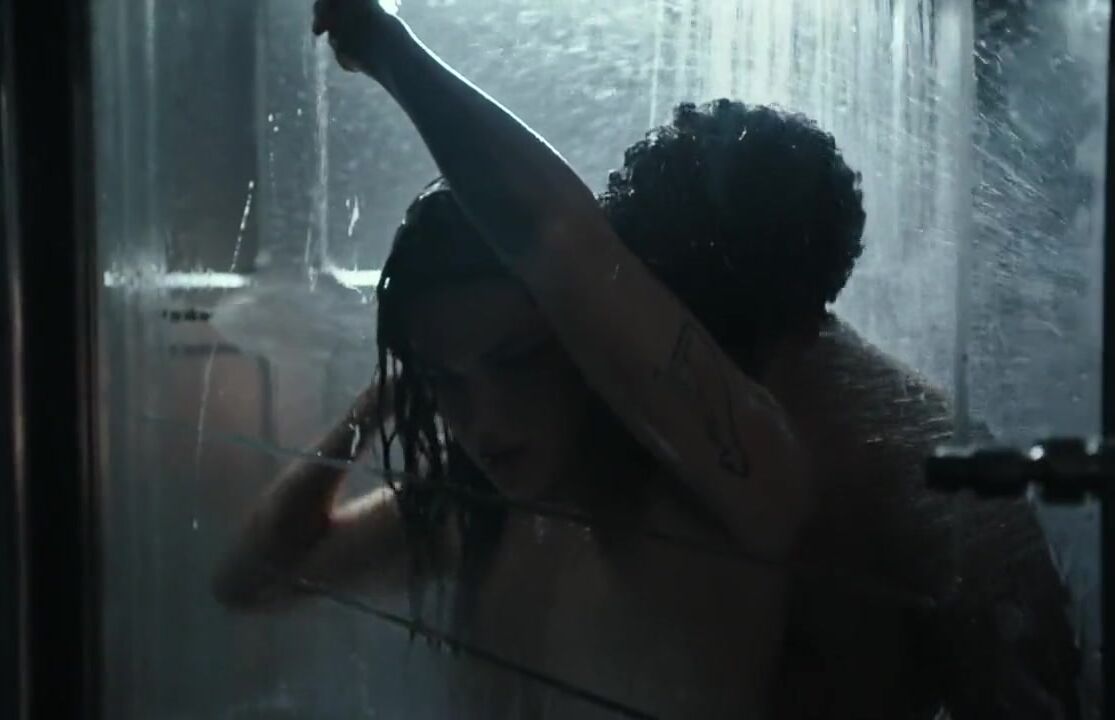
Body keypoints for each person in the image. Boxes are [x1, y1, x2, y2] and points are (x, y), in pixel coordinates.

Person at [214, 2, 1080, 718]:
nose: (483, 412)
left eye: (515, 360)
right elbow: (254, 579)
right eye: (452, 380)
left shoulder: (771, 463)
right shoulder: (500, 495)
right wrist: (402, 383)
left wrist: (385, 46)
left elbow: (560, 242)